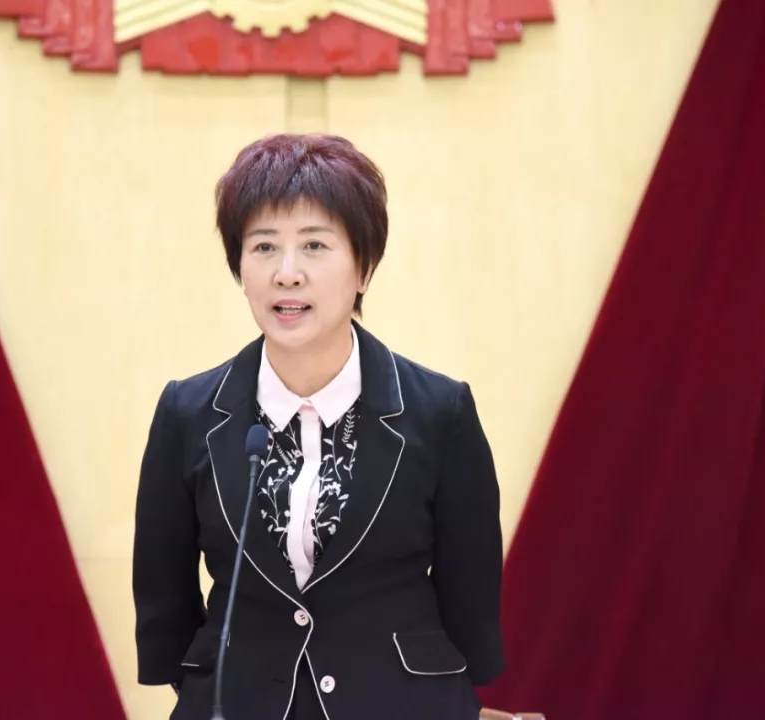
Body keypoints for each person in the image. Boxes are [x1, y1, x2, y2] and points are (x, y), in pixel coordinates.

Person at [133, 133, 504, 720]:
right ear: (239, 267)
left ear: (364, 267)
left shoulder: (440, 411)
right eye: (263, 247)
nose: (287, 274)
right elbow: (165, 597)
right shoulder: (188, 412)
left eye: (314, 245)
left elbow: (470, 599)